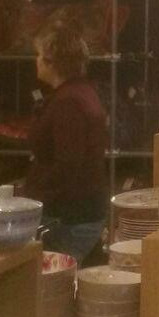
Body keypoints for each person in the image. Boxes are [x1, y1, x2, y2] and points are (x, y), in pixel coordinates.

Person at [24, 25, 108, 262]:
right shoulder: (82, 93)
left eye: (39, 55)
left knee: (47, 278)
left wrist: (30, 201)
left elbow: (68, 164)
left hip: (68, 217)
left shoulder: (67, 103)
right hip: (80, 211)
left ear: (52, 62)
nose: (36, 61)